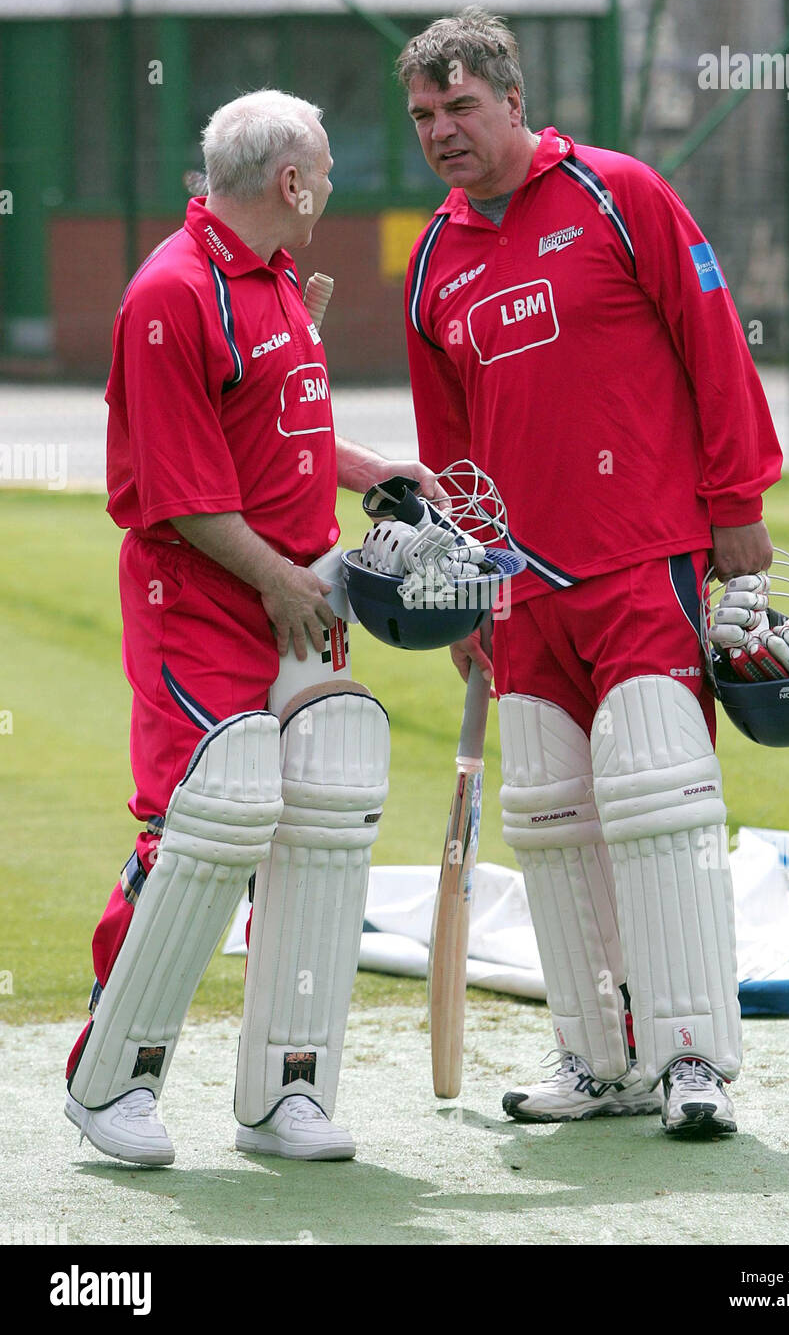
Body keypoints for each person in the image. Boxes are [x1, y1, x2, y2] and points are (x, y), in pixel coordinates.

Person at [398, 11, 783, 1136]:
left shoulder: (618, 192)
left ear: (512, 102)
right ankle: (596, 1055)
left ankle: (692, 1060)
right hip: (518, 585)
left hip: (638, 554)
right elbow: (451, 449)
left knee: (658, 797)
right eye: (423, 116)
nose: (442, 133)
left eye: (460, 108)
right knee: (551, 815)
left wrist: (737, 505)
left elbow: (713, 340)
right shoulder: (432, 260)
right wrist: (463, 586)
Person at [65, 89, 443, 1166]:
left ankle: (287, 1089)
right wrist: (283, 582)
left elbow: (279, 430)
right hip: (201, 602)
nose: (328, 182)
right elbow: (183, 493)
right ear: (290, 181)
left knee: (318, 830)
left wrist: (376, 472)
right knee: (201, 826)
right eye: (321, 166)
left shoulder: (275, 282)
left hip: (294, 588)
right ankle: (113, 1079)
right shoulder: (170, 295)